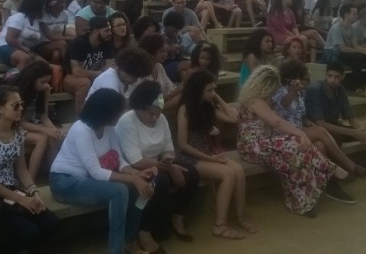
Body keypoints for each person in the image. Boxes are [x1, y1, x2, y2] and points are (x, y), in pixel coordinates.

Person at [50, 89, 156, 254]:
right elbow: (96, 172)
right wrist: (133, 179)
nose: (120, 116)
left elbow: (119, 161)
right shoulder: (81, 130)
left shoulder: (108, 128)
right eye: (117, 112)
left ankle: (129, 238)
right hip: (64, 182)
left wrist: (136, 174)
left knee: (142, 187)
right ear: (105, 112)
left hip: (88, 182)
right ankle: (117, 250)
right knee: (119, 191)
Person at [236, 65, 349, 218]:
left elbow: (278, 120)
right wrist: (301, 134)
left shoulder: (264, 100)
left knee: (297, 154)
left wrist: (300, 135)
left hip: (266, 142)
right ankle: (328, 168)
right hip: (252, 146)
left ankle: (301, 202)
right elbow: (276, 122)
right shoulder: (254, 101)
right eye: (273, 87)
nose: (275, 91)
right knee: (296, 143)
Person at [116, 80, 200, 250]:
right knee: (159, 182)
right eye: (151, 114)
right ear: (139, 108)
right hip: (134, 168)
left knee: (191, 173)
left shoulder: (160, 118)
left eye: (158, 112)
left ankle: (177, 217)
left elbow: (168, 148)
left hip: (158, 162)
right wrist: (169, 167)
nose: (155, 117)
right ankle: (144, 231)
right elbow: (135, 160)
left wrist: (169, 161)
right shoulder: (127, 121)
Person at [273, 60, 366, 204]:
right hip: (285, 134)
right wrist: (293, 91)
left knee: (320, 145)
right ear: (295, 79)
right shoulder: (282, 90)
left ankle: (324, 185)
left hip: (300, 129)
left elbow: (301, 114)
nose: (309, 82)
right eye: (306, 79)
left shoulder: (301, 93)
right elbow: (284, 104)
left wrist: (306, 120)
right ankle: (349, 165)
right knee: (321, 131)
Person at [0, 86, 59, 252]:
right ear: (0, 108)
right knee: (30, 232)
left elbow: (22, 170)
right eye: (16, 105)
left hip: (14, 193)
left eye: (21, 104)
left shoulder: (18, 133)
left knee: (51, 222)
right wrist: (21, 199)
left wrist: (34, 192)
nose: (21, 108)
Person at [175, 70, 254, 238]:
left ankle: (240, 216)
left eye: (214, 89)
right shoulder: (185, 110)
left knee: (238, 170)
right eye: (209, 90)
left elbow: (233, 118)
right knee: (228, 174)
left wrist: (216, 97)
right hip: (189, 157)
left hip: (208, 154)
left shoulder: (207, 106)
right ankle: (220, 225)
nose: (213, 93)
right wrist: (209, 158)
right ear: (198, 90)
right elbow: (182, 144)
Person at [306, 61, 366, 194]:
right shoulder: (315, 89)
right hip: (317, 131)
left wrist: (361, 132)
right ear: (326, 75)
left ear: (342, 77)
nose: (332, 80)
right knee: (336, 136)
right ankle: (332, 185)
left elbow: (351, 118)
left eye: (336, 77)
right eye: (330, 76)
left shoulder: (340, 90)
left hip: (334, 126)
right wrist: (353, 132)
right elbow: (320, 124)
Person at [0, 0, 65, 68]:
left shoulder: (37, 21)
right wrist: (27, 51)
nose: (44, 11)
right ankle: (19, 79)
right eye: (42, 8)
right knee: (25, 58)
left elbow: (51, 37)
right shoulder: (19, 17)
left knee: (45, 65)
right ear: (35, 8)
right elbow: (9, 39)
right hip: (4, 46)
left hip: (25, 49)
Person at [63, 16, 115, 114]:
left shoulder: (106, 43)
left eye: (110, 30)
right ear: (95, 31)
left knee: (111, 78)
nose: (110, 33)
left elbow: (111, 66)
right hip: (71, 77)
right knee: (84, 82)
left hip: (93, 75)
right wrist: (101, 73)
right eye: (106, 30)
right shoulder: (79, 43)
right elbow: (77, 71)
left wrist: (102, 73)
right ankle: (81, 118)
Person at [323, 4, 366, 92]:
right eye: (354, 14)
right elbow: (342, 48)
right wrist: (362, 52)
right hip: (334, 53)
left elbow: (355, 45)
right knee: (357, 59)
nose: (357, 16)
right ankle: (354, 87)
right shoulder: (337, 28)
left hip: (346, 53)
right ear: (346, 14)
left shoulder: (351, 28)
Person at [88, 47, 154, 99]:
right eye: (132, 77)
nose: (135, 80)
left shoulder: (127, 79)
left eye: (137, 77)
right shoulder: (109, 84)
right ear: (122, 69)